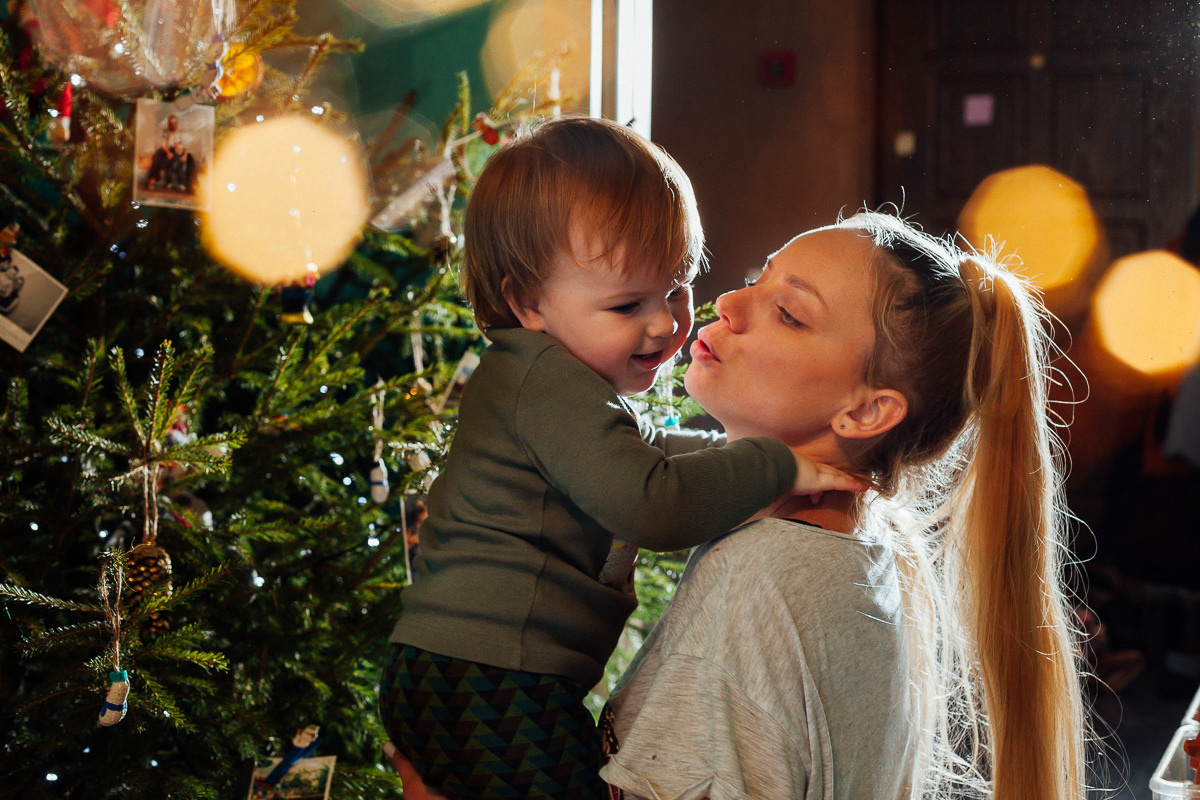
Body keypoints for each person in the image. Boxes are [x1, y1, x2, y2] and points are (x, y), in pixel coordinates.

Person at [378, 117, 864, 800]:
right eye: (627, 303)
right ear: (527, 303)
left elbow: (651, 455)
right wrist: (777, 466)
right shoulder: (542, 379)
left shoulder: (552, 380)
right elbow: (650, 502)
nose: (666, 322)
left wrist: (742, 454)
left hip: (474, 668)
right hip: (487, 673)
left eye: (676, 286)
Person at [599, 211, 1089, 800]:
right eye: (760, 277)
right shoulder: (876, 541)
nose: (729, 301)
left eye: (789, 314)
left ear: (864, 412)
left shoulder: (762, 576)